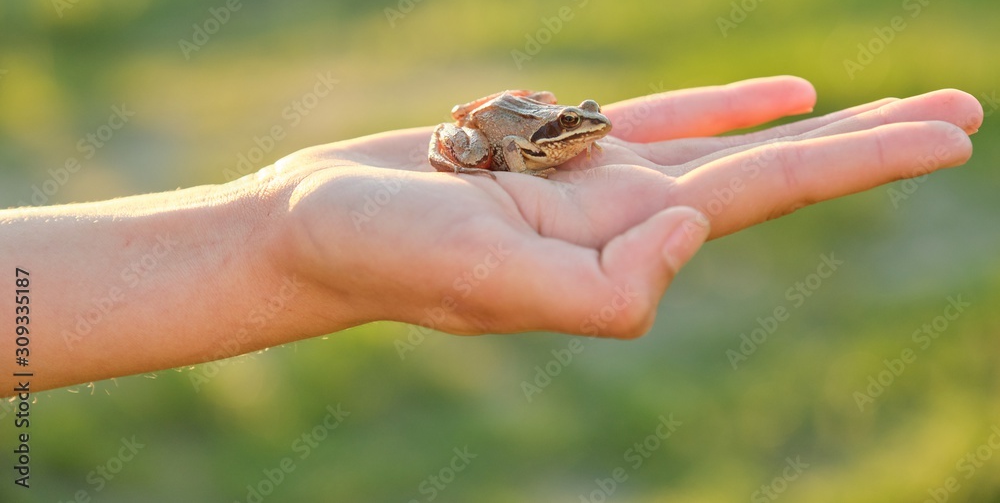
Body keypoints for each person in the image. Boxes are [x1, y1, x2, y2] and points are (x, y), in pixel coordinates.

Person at [0, 76, 983, 395]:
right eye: (575, 132)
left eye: (584, 125)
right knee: (469, 138)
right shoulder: (532, 147)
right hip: (482, 136)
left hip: (501, 115)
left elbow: (579, 129)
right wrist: (275, 230)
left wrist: (268, 232)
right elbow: (504, 143)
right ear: (553, 137)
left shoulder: (578, 135)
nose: (588, 138)